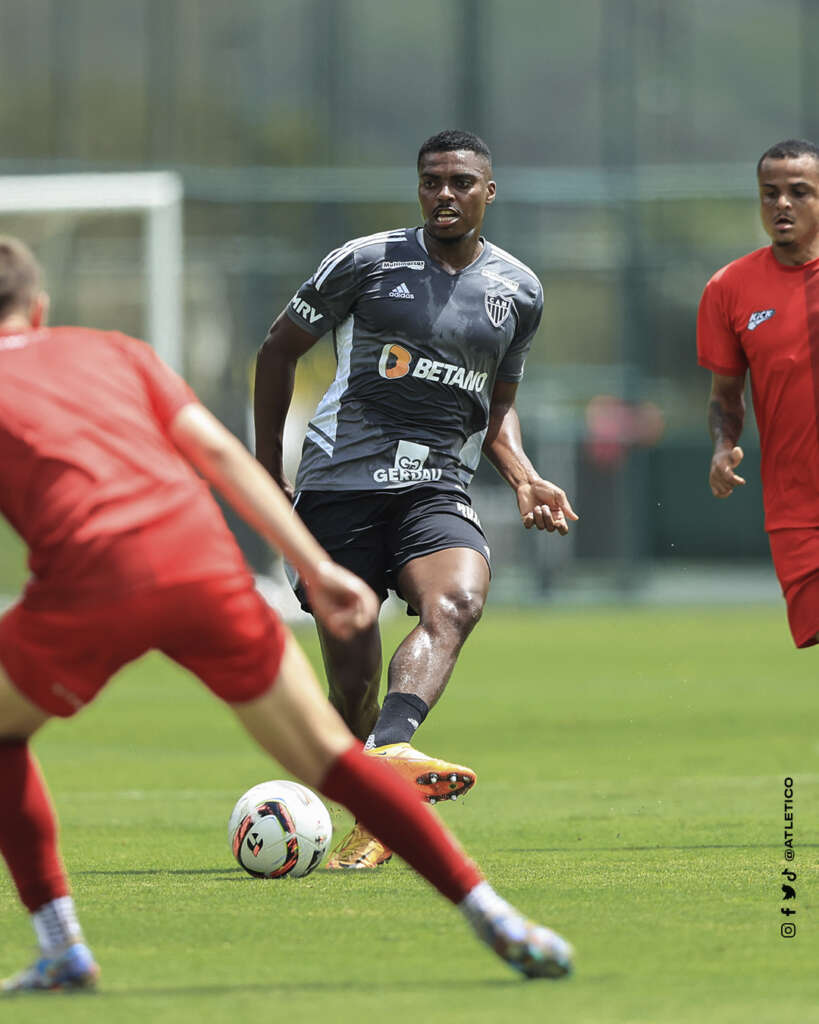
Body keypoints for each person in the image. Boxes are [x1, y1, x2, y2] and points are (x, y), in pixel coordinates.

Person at [0, 235, 573, 992]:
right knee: (336, 759)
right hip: (202, 561)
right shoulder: (116, 350)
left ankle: (63, 947)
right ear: (40, 307)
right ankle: (497, 915)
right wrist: (309, 564)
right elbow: (221, 458)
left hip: (89, 580)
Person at [254, 129, 579, 870]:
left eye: (461, 181)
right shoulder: (365, 261)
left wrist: (523, 474)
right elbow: (277, 351)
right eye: (431, 180)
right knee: (353, 658)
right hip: (338, 485)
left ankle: (392, 752)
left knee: (458, 600)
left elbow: (495, 406)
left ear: (487, 192)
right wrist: (265, 468)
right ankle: (375, 785)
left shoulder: (518, 290)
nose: (444, 193)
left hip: (434, 483)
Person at [698, 138, 819, 649]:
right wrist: (724, 446)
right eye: (770, 193)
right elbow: (726, 394)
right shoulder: (729, 288)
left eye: (799, 192)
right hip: (797, 510)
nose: (782, 204)